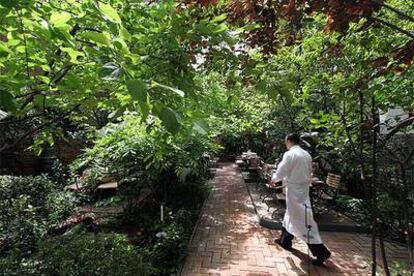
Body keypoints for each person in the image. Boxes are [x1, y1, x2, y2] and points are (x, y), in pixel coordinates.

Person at [271, 133, 331, 266]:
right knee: (291, 215)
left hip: (294, 192)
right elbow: (309, 172)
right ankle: (285, 241)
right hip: (303, 190)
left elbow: (282, 170)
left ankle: (322, 252)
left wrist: (274, 179)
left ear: (289, 141)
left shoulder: (290, 154)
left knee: (303, 221)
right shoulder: (306, 154)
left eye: (286, 141)